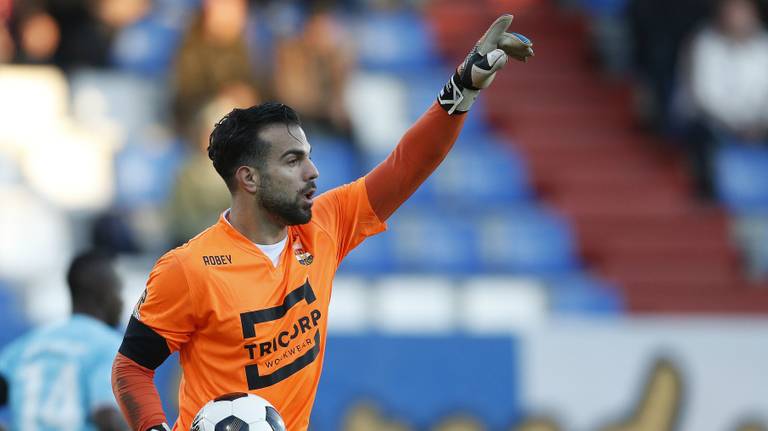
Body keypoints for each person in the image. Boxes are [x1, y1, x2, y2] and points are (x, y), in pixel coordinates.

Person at [111, 15, 534, 431]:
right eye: (293, 160)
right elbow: (131, 368)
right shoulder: (189, 268)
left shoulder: (325, 224)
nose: (313, 171)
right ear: (249, 178)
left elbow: (408, 166)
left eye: (308, 156)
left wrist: (463, 86)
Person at [0, 250, 128, 431]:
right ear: (104, 295)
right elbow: (107, 417)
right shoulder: (108, 345)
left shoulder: (28, 345)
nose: (122, 302)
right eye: (119, 291)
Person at [681, 0, 768, 198]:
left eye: (743, 12)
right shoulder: (704, 43)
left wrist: (760, 123)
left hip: (761, 123)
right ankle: (708, 191)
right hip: (718, 122)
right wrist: (735, 125)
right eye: (733, 12)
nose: (739, 18)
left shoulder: (765, 44)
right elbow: (704, 94)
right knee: (699, 130)